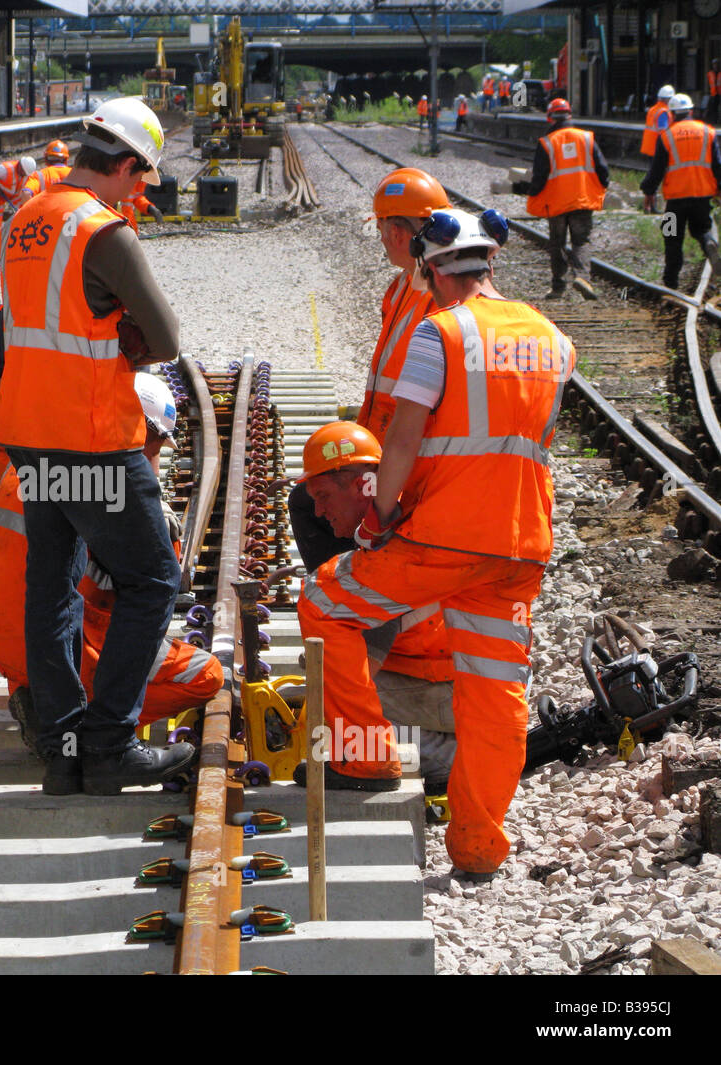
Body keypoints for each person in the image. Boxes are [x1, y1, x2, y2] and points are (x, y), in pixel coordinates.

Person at [298, 207, 574, 879]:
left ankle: (364, 760)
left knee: (325, 603)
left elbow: (403, 437)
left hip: (444, 536)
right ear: (490, 262)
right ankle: (479, 847)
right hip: (519, 546)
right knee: (495, 691)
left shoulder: (440, 333)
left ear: (430, 268)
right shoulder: (553, 340)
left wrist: (379, 517)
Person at [0, 96, 195, 796]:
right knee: (151, 578)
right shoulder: (105, 232)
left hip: (30, 437)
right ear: (127, 163)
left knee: (50, 589)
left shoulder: (23, 219)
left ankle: (63, 745)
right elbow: (167, 340)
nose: (139, 192)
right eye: (141, 178)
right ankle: (109, 741)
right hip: (91, 441)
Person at [0, 373, 223, 755]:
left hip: (1, 637)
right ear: (132, 427)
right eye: (153, 445)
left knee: (42, 618)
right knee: (205, 675)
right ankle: (96, 734)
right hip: (71, 642)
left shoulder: (31, 461)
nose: (153, 458)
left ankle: (46, 709)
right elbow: (152, 595)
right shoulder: (114, 485)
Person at [292, 422, 457, 789]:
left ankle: (444, 757)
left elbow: (359, 672)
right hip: (456, 683)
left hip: (446, 695)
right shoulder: (404, 522)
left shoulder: (385, 558)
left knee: (327, 721)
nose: (318, 512)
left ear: (359, 485)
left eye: (323, 496)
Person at [511, 98, 608, 301]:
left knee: (557, 243)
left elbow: (539, 177)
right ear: (570, 115)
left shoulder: (547, 143)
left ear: (550, 118)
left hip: (555, 203)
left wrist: (527, 190)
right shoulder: (587, 138)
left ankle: (558, 287)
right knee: (581, 240)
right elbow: (603, 170)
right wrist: (600, 187)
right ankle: (582, 277)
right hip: (581, 199)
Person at [640, 93, 721, 291]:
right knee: (702, 229)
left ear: (672, 114)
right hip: (702, 196)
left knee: (671, 238)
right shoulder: (708, 132)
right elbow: (718, 165)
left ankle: (671, 282)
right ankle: (709, 242)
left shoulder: (667, 135)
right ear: (691, 111)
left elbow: (656, 169)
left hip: (674, 200)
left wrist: (648, 191)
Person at [0, 155, 35, 236]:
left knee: (21, 210)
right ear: (20, 167)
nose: (24, 175)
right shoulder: (6, 169)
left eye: (25, 174)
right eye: (23, 173)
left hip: (11, 193)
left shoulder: (25, 174)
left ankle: (21, 232)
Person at [15, 140, 72, 206]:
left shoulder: (39, 175)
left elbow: (26, 193)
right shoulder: (74, 174)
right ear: (66, 159)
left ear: (46, 159)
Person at [640, 85, 674, 158]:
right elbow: (663, 132)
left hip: (649, 146)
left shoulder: (652, 109)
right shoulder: (663, 111)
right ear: (669, 99)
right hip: (657, 148)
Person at [708, 60, 721, 126]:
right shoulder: (710, 73)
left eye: (716, 64)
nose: (715, 66)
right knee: (713, 108)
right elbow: (709, 83)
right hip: (713, 94)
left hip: (720, 93)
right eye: (714, 64)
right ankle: (714, 121)